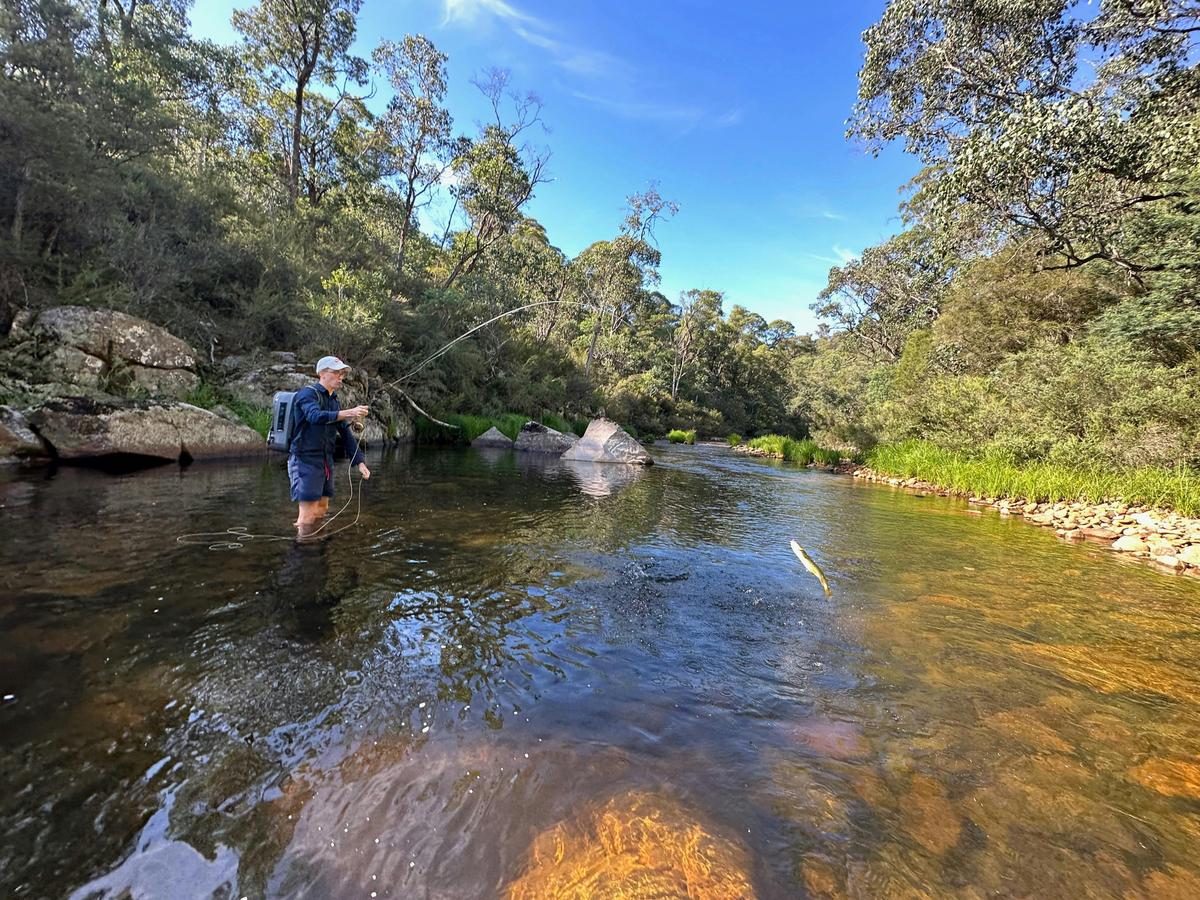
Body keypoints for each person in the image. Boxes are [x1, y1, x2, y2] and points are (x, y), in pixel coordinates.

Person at [289, 355, 371, 533]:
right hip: (305, 460)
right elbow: (314, 416)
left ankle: (315, 549)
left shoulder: (334, 401)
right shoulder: (307, 394)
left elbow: (345, 433)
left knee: (321, 510)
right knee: (307, 516)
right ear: (322, 374)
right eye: (336, 372)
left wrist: (359, 462)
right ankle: (301, 554)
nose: (341, 376)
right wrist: (348, 412)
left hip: (325, 461)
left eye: (342, 373)